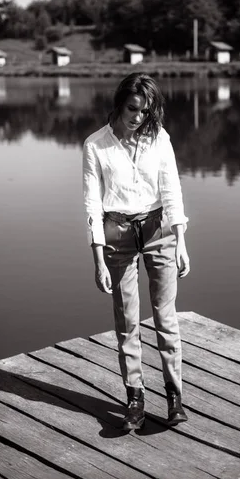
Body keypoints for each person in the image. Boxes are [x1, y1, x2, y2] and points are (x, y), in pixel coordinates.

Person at [82, 72, 190, 431]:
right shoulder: (95, 145)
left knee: (166, 316)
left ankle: (174, 394)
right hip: (117, 234)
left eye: (145, 111)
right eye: (132, 109)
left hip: (159, 231)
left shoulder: (159, 138)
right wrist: (97, 256)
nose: (138, 117)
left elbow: (171, 189)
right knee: (127, 322)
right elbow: (91, 204)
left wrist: (181, 239)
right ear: (119, 103)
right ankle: (135, 396)